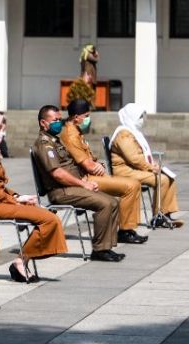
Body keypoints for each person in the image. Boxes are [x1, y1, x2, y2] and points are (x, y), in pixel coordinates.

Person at [0, 110, 67, 283]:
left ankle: (22, 261)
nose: (2, 132)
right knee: (49, 219)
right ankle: (21, 260)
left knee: (45, 214)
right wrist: (15, 200)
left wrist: (19, 196)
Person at [33, 105, 129, 261]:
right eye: (55, 120)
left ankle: (107, 247)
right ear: (43, 123)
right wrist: (83, 184)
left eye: (60, 119)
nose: (59, 123)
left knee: (112, 201)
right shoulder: (44, 144)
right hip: (61, 191)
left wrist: (84, 179)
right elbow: (57, 173)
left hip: (72, 186)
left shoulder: (55, 140)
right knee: (105, 203)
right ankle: (100, 250)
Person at [60, 99, 148, 241]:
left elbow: (89, 158)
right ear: (76, 117)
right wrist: (97, 167)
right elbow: (87, 165)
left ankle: (127, 228)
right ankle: (125, 231)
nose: (88, 119)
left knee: (133, 184)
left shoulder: (76, 130)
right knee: (131, 186)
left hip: (89, 174)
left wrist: (98, 165)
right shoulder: (70, 134)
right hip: (84, 178)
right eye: (86, 116)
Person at [110, 103, 182, 226]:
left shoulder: (132, 132)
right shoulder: (124, 135)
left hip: (135, 169)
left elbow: (141, 156)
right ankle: (158, 215)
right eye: (139, 117)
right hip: (125, 171)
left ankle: (165, 212)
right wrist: (151, 167)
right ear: (131, 117)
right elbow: (134, 158)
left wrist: (152, 164)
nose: (142, 120)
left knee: (169, 178)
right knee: (162, 179)